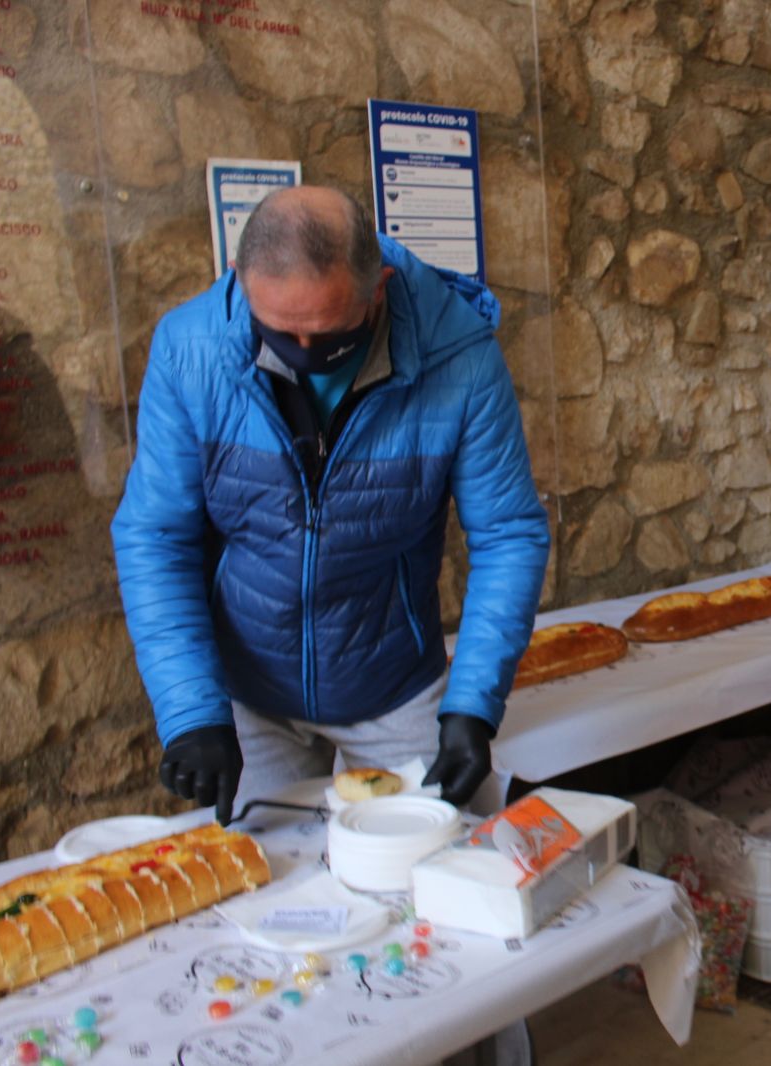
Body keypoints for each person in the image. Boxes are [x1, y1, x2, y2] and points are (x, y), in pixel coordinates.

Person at [112, 186, 549, 824]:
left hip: (393, 685)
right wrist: (192, 709)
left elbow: (507, 533)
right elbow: (155, 536)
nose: (304, 354)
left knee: (437, 852)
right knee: (271, 867)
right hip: (249, 694)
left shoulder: (460, 356)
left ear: (379, 289)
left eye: (328, 336)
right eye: (279, 332)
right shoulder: (189, 351)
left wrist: (473, 706)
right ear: (240, 279)